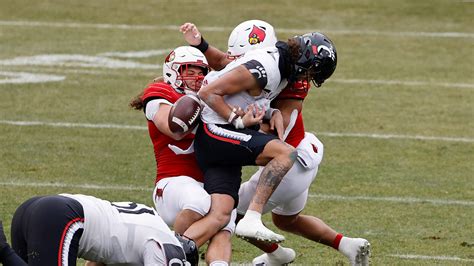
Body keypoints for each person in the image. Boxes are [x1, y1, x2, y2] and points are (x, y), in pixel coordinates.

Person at [182, 21, 371, 266]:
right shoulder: (269, 66)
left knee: (226, 219)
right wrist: (201, 45)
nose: (235, 60)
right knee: (283, 221)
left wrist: (258, 118)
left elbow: (274, 131)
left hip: (291, 163)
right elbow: (223, 67)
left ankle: (182, 247)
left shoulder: (279, 70)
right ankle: (344, 245)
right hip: (301, 156)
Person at [129, 46, 234, 266]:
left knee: (226, 220)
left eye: (201, 72)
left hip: (209, 181)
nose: (197, 77)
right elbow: (171, 127)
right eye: (190, 71)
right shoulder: (160, 92)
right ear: (172, 71)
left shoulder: (210, 97)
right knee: (200, 202)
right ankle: (169, 256)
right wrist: (194, 109)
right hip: (172, 184)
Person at [0, 194, 198, 266]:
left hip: (36, 209)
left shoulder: (149, 223)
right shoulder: (170, 247)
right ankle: (2, 249)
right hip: (63, 218)